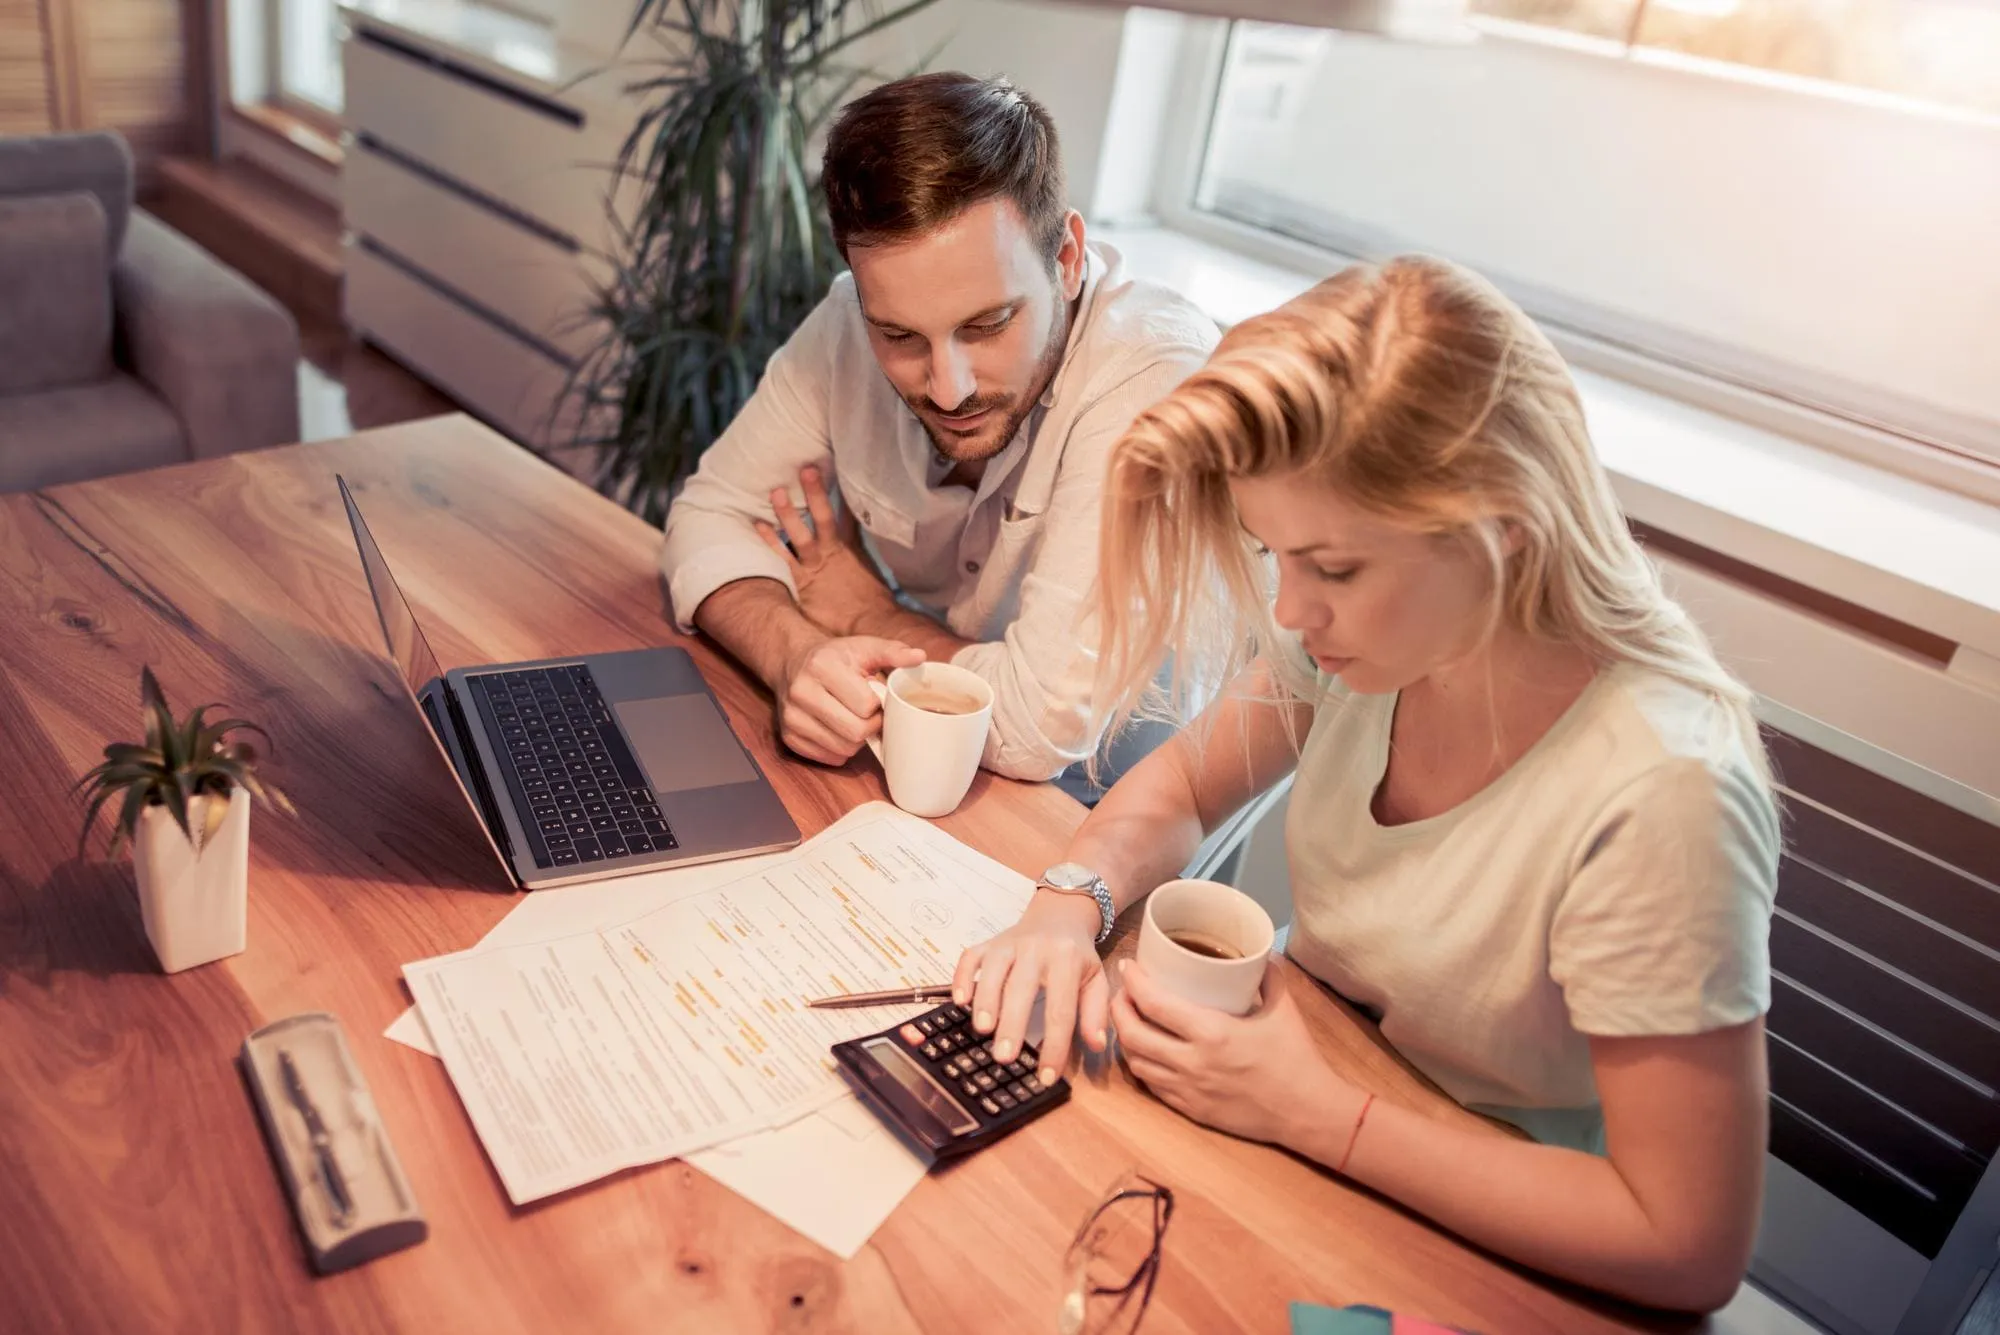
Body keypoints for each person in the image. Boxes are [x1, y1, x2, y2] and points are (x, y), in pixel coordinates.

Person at [956, 257, 1780, 1312]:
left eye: (1334, 569)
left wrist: (1318, 1114)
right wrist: (1069, 901)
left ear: (1500, 526)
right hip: (1303, 1109)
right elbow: (1185, 790)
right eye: (1273, 555)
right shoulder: (1376, 642)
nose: (1290, 612)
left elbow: (1686, 1243)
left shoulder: (1664, 798)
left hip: (1492, 1246)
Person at [660, 72, 1218, 794]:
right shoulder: (848, 320)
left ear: (1068, 258)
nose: (948, 389)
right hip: (918, 746)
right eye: (898, 335)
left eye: (987, 325)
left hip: (1108, 796)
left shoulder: (1155, 377)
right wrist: (793, 651)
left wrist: (866, 612)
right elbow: (709, 513)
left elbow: (1034, 727)